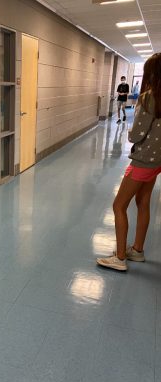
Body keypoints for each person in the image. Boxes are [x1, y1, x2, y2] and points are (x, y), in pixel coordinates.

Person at [97, 53, 161, 271]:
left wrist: (131, 133)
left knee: (119, 205)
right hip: (157, 161)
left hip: (143, 160)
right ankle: (138, 250)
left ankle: (120, 258)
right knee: (143, 203)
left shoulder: (149, 97)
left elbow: (135, 135)